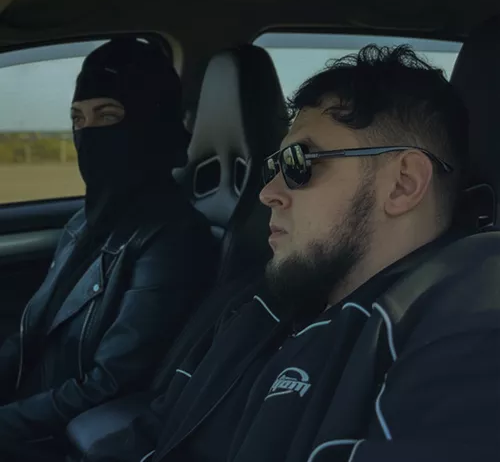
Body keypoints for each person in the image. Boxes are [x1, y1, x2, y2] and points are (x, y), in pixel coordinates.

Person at [89, 44, 500, 462]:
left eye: (299, 163)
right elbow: (156, 432)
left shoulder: (467, 333)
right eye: (274, 167)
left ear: (402, 184)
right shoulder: (260, 302)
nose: (268, 193)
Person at [0, 38, 217, 460]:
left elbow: (109, 384)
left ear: (152, 121)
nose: (88, 133)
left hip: (58, 438)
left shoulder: (173, 239)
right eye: (78, 119)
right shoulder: (85, 223)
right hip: (29, 413)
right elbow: (29, 337)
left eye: (108, 116)